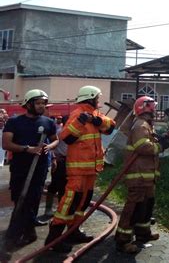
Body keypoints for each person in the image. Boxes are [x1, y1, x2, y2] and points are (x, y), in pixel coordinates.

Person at [45, 86, 116, 252]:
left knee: (82, 203)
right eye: (97, 98)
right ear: (90, 98)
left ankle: (73, 232)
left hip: (91, 170)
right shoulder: (77, 114)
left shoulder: (95, 114)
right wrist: (81, 122)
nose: (99, 101)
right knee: (69, 202)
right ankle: (53, 238)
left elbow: (111, 127)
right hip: (77, 170)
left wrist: (98, 121)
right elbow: (67, 138)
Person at [114, 96, 169, 253]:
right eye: (153, 107)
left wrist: (164, 139)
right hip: (138, 176)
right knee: (133, 208)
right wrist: (160, 145)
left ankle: (143, 234)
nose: (155, 110)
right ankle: (123, 241)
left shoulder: (147, 125)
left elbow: (151, 143)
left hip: (147, 176)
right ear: (145, 108)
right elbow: (144, 148)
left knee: (146, 207)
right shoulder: (141, 125)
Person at [2, 90, 58, 251]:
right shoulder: (14, 122)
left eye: (43, 103)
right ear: (28, 104)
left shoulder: (48, 122)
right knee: (20, 198)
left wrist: (49, 147)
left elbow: (55, 140)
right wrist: (28, 149)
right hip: (20, 167)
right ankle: (18, 233)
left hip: (39, 168)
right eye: (38, 103)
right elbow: (6, 144)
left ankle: (27, 231)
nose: (42, 106)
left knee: (33, 198)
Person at [42, 115, 68, 217]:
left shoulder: (73, 132)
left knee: (64, 187)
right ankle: (50, 210)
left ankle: (60, 209)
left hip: (69, 162)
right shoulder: (60, 132)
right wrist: (54, 159)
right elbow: (52, 145)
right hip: (60, 161)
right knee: (56, 186)